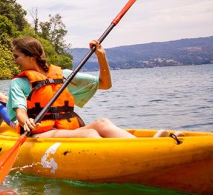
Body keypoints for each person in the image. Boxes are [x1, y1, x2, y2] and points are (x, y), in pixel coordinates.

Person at [7, 36, 136, 138]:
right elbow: (20, 112)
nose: (14, 61)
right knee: (90, 134)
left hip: (66, 130)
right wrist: (26, 122)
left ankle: (140, 149)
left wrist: (101, 56)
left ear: (32, 57)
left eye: (16, 57)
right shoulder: (18, 82)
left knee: (103, 123)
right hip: (39, 133)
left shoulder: (64, 76)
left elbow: (105, 84)